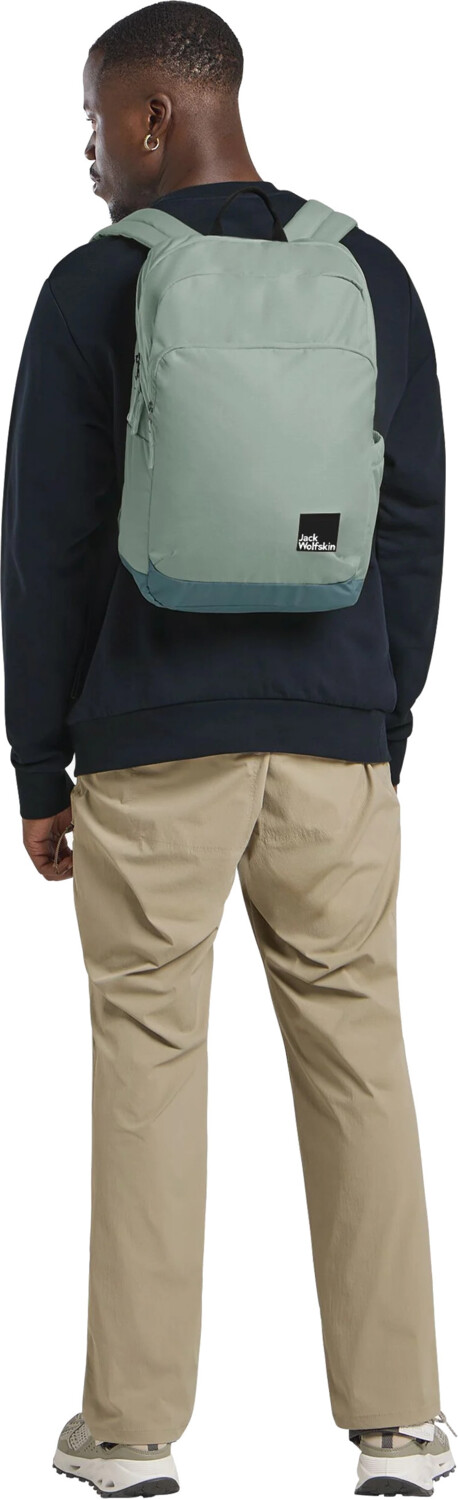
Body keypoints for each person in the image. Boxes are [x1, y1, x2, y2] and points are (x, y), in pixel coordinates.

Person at [1, 3, 453, 1496]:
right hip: (334, 745)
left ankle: (130, 1436)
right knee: (359, 1059)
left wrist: (39, 765)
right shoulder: (369, 273)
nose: (86, 154)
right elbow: (410, 519)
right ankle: (401, 1428)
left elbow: (46, 548)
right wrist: (376, 717)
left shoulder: (96, 286)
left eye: (93, 121)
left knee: (147, 1061)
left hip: (151, 745)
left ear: (152, 116)